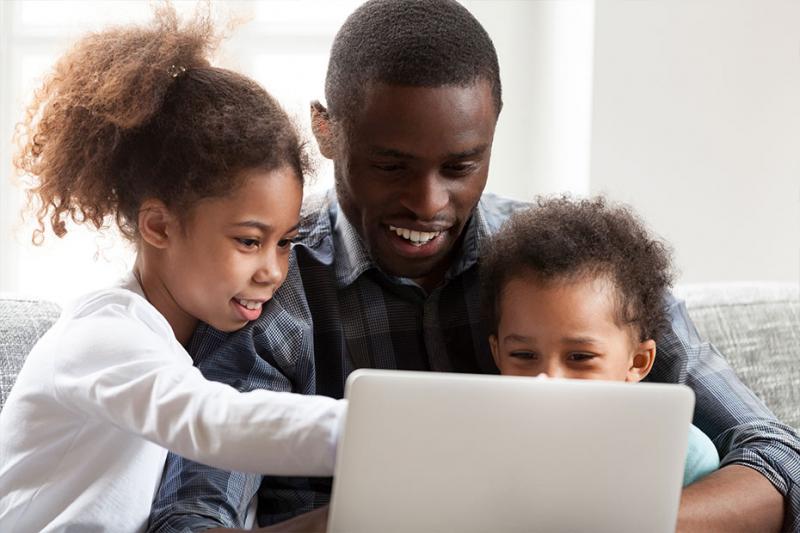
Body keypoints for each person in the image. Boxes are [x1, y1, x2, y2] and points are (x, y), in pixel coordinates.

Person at [148, 1, 799, 532]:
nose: (429, 203)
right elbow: (190, 519)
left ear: (492, 131)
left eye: (461, 166)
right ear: (325, 129)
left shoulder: (576, 268)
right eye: (390, 165)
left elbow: (779, 456)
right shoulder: (266, 291)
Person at [0, 6, 347, 533]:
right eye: (249, 241)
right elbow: (215, 422)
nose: (274, 271)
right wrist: (383, 431)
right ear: (159, 227)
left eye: (284, 243)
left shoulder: (205, 348)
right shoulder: (104, 334)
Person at [483, 196, 720, 487]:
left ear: (638, 361)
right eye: (523, 355)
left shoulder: (683, 455)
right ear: (497, 353)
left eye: (580, 357)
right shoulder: (481, 442)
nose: (548, 379)